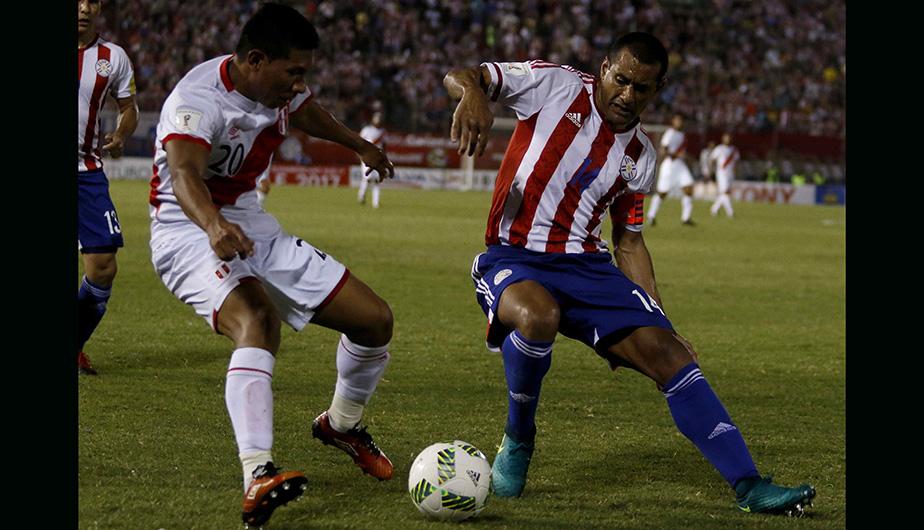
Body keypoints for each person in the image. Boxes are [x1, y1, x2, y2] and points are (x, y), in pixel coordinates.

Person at [443, 31, 816, 516]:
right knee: (538, 316)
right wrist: (472, 93)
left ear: (657, 89)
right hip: (515, 255)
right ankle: (519, 436)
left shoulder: (640, 155)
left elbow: (629, 241)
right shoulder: (554, 86)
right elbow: (464, 75)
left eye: (641, 88)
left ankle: (749, 485)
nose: (627, 94)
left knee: (671, 355)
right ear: (604, 68)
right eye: (620, 80)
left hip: (588, 268)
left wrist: (662, 320)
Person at [147, 4, 396, 527]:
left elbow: (306, 111)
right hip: (186, 228)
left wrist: (359, 146)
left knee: (374, 320)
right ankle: (257, 473)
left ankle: (341, 425)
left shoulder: (279, 90)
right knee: (258, 321)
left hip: (251, 223)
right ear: (256, 60)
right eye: (294, 72)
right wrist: (213, 225)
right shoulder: (197, 100)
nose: (300, 84)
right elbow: (184, 174)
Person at [77, 0, 139, 375]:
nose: (84, 8)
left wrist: (120, 133)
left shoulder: (113, 57)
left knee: (102, 267)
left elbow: (129, 108)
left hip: (86, 172)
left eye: (92, 1)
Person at [647, 113, 696, 226]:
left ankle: (686, 218)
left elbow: (682, 153)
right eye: (677, 120)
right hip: (670, 164)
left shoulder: (682, 135)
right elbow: (663, 150)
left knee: (689, 188)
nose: (680, 122)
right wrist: (677, 155)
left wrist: (687, 157)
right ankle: (651, 215)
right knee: (662, 193)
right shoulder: (670, 133)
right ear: (673, 121)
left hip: (680, 165)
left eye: (681, 120)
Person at [357, 111, 386, 208]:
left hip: (377, 158)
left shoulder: (382, 132)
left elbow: (384, 145)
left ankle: (375, 203)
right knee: (368, 179)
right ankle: (362, 195)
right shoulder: (366, 130)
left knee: (376, 180)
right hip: (367, 156)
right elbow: (359, 142)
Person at [709, 133, 739, 217]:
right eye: (726, 138)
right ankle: (730, 212)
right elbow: (712, 159)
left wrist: (736, 171)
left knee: (725, 193)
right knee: (725, 192)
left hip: (730, 173)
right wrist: (711, 171)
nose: (727, 140)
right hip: (721, 173)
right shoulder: (719, 148)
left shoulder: (734, 150)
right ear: (723, 139)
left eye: (729, 138)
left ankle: (714, 209)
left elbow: (736, 162)